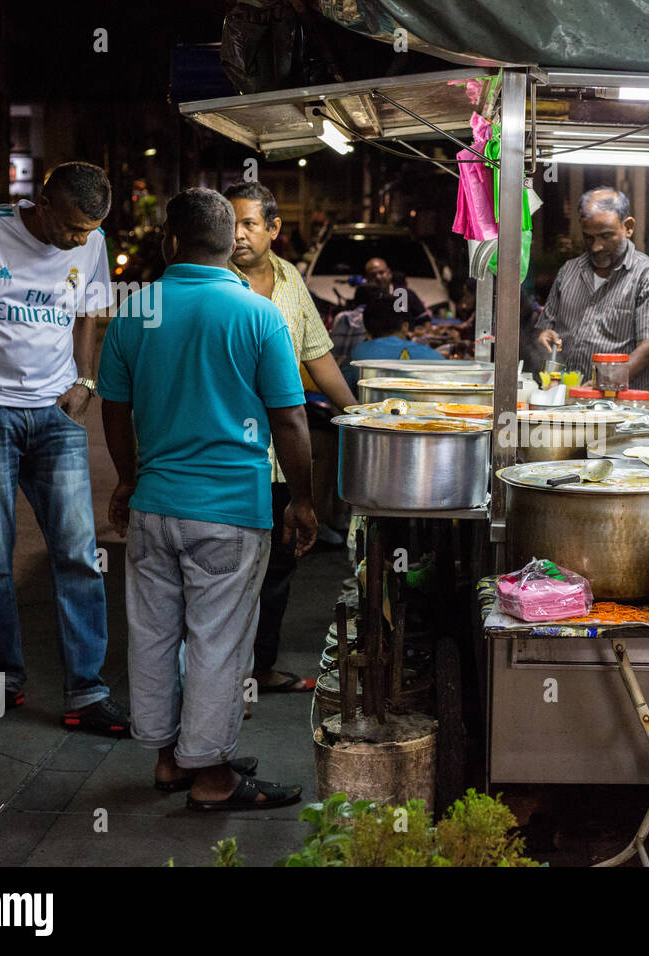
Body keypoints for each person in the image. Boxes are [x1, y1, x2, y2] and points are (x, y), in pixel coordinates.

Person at [98, 187, 314, 808]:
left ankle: (171, 760)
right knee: (219, 643)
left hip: (154, 507)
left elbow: (116, 408)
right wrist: (303, 500)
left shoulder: (137, 311)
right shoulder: (257, 314)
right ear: (228, 246)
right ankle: (214, 778)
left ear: (170, 240)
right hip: (230, 511)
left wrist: (128, 478)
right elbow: (291, 420)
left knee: (156, 635)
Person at [0, 161, 130, 733]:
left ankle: (85, 692)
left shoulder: (92, 240)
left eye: (88, 231)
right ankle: (0, 683)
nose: (78, 241)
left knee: (79, 556)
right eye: (70, 229)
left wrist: (83, 381)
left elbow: (88, 310)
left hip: (56, 418)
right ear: (42, 202)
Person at [224, 180, 355, 694]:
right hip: (231, 455)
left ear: (274, 229)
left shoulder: (290, 280)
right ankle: (221, 679)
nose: (238, 235)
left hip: (282, 459)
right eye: (230, 223)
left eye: (249, 223)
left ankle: (259, 669)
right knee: (229, 573)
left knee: (277, 569)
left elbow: (318, 356)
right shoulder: (216, 281)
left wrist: (361, 414)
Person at [535, 187, 649, 390]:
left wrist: (607, 381)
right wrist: (545, 334)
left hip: (621, 407)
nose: (596, 247)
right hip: (566, 398)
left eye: (606, 236)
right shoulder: (569, 271)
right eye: (588, 237)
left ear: (628, 227)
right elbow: (547, 326)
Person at [342, 290, 446, 391]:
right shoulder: (433, 357)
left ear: (368, 334)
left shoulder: (358, 353)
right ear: (405, 327)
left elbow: (341, 392)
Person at [355, 257, 430, 321]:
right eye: (372, 275)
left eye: (381, 273)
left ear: (389, 273)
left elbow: (424, 320)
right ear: (366, 278)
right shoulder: (363, 298)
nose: (377, 277)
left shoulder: (404, 294)